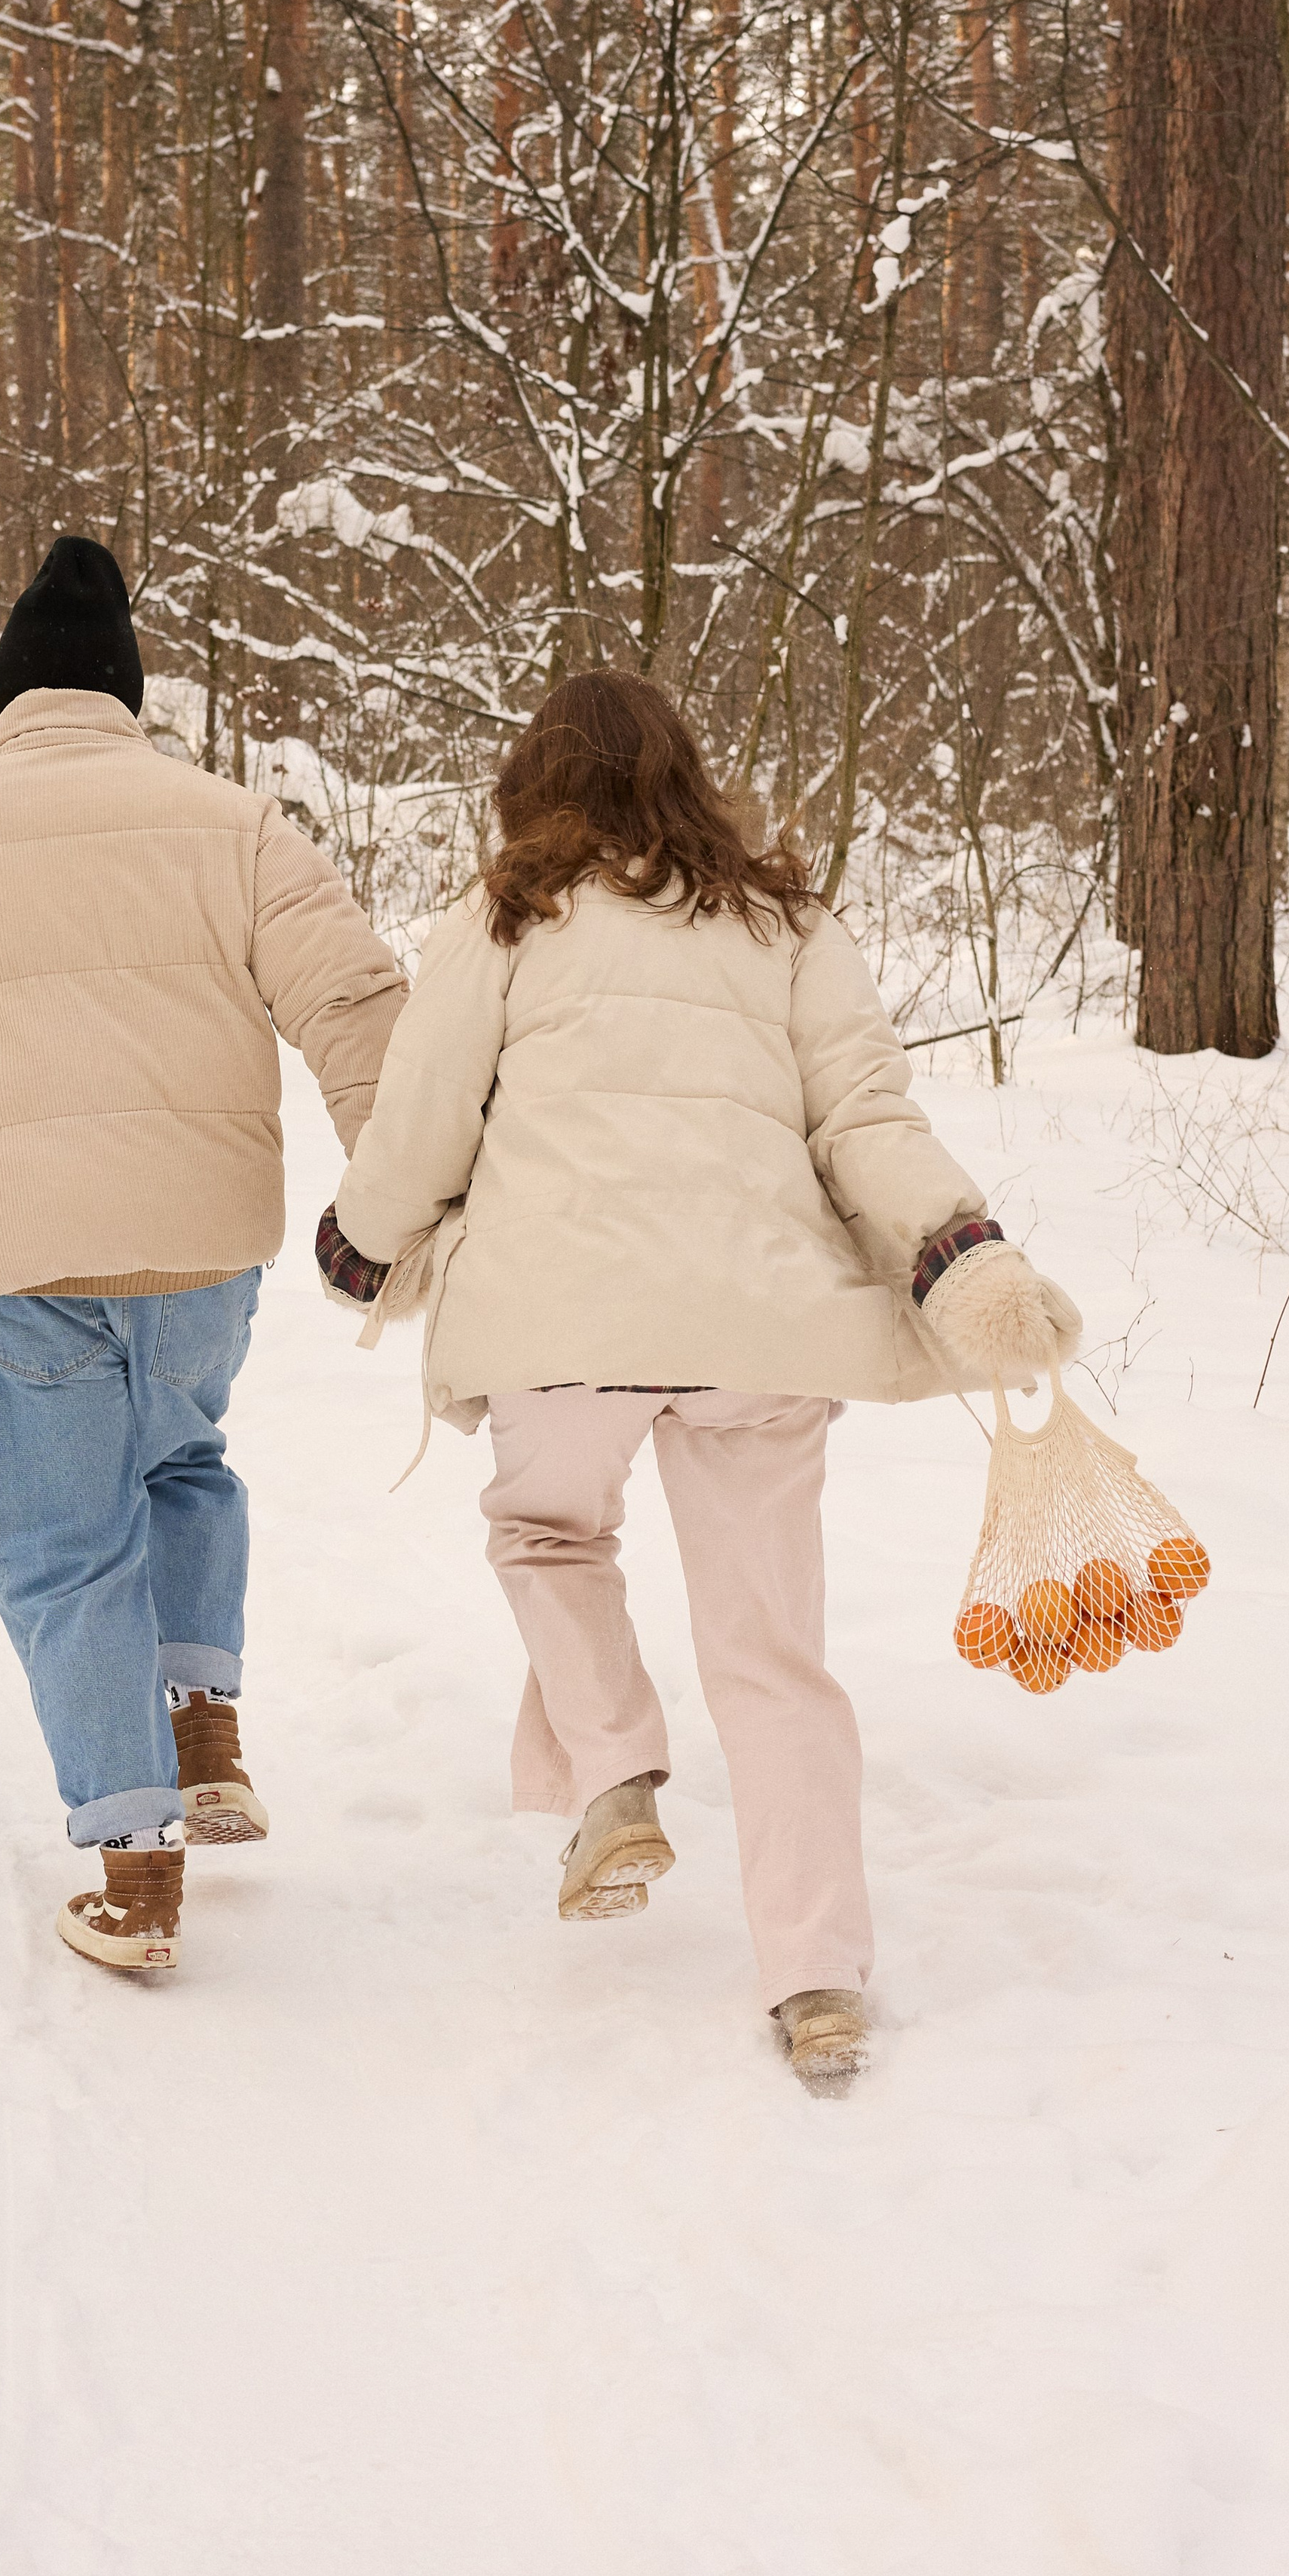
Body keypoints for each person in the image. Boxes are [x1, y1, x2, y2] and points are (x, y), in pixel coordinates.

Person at [317, 670, 1077, 2092]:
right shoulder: (790, 924)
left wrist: (362, 1247)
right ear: (688, 777)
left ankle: (613, 1770)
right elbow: (865, 1112)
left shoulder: (503, 920)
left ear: (535, 785)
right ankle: (816, 1978)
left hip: (563, 1327)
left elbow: (423, 1116)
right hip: (759, 1333)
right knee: (772, 1656)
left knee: (548, 1530)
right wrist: (956, 1247)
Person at [0, 537, 406, 1976]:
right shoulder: (233, 823)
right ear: (127, 692)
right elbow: (358, 999)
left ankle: (136, 1863)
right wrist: (395, 1181)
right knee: (182, 1462)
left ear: (5, 703)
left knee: (62, 1547)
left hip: (28, 1262)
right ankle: (203, 1725)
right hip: (203, 1251)